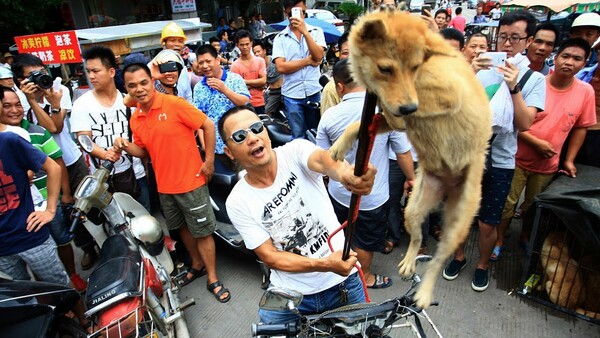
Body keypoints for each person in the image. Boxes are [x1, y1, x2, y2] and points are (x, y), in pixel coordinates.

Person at [221, 105, 376, 324]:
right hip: (289, 294)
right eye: (239, 136)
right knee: (266, 328)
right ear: (228, 151)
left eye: (256, 128)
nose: (252, 138)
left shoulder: (295, 151)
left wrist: (347, 174)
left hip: (344, 282)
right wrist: (325, 264)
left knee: (363, 329)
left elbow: (325, 161)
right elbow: (270, 257)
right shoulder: (237, 201)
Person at [113, 60, 231, 302]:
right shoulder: (135, 119)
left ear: (152, 82)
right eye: (132, 85)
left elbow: (207, 125)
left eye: (144, 82)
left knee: (203, 232)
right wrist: (125, 145)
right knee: (182, 229)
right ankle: (196, 265)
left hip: (192, 181)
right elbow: (145, 152)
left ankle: (212, 277)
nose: (139, 89)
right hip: (164, 186)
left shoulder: (174, 104)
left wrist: (208, 161)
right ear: (127, 89)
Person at [444, 10, 545, 292]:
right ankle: (460, 257)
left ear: (528, 41)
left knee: (488, 222)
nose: (508, 44)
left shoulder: (532, 79)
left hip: (500, 161)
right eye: (502, 37)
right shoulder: (481, 69)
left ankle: (483, 264)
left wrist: (513, 87)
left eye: (515, 38)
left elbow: (524, 123)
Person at [492, 38, 597, 260]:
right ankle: (499, 238)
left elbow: (581, 127)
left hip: (549, 164)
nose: (569, 62)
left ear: (585, 62)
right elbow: (515, 121)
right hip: (517, 158)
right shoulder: (536, 82)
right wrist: (536, 142)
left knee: (533, 206)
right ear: (556, 58)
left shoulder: (585, 92)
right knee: (507, 204)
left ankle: (526, 237)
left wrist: (568, 160)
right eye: (565, 56)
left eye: (577, 59)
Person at [317, 59, 414, 289]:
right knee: (366, 241)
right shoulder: (386, 113)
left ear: (339, 87)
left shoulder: (330, 116)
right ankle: (365, 278)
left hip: (338, 193)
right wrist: (412, 178)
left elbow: (322, 158)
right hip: (372, 197)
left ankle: (341, 273)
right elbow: (403, 152)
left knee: (342, 234)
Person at [0, 130, 90, 331]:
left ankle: (85, 322)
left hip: (30, 235)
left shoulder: (8, 141)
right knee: (20, 301)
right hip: (3, 249)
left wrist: (50, 210)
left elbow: (53, 167)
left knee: (60, 285)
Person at [11, 54, 94, 271]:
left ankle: (101, 241)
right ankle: (87, 248)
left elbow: (55, 127)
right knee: (58, 216)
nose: (40, 78)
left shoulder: (58, 89)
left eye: (42, 72)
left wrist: (50, 102)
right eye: (32, 76)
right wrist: (30, 100)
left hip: (70, 159)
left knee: (85, 206)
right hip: (39, 170)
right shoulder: (15, 102)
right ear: (20, 81)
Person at [70, 46, 151, 212]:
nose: (91, 76)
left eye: (96, 71)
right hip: (103, 179)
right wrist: (105, 154)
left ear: (112, 72)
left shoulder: (129, 101)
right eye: (88, 71)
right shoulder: (81, 104)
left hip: (136, 173)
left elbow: (140, 138)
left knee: (146, 221)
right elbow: (84, 139)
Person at [272, 0, 326, 139]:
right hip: (292, 95)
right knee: (298, 137)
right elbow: (281, 67)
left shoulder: (316, 31)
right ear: (286, 13)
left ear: (305, 9)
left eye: (300, 12)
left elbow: (319, 55)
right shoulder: (280, 38)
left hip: (314, 90)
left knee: (318, 135)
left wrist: (305, 33)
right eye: (292, 13)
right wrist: (308, 61)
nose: (296, 16)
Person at [192, 44, 250, 169]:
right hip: (216, 148)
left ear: (217, 60)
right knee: (223, 184)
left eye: (208, 61)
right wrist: (205, 146)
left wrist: (224, 89)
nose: (205, 66)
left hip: (240, 142)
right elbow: (200, 119)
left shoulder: (234, 79)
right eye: (201, 62)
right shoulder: (198, 87)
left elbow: (244, 103)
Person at [230, 30, 267, 114]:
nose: (245, 47)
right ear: (237, 45)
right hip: (243, 105)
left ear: (251, 43)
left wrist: (243, 81)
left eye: (247, 44)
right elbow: (236, 88)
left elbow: (263, 81)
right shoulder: (235, 65)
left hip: (259, 103)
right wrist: (257, 83)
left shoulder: (260, 61)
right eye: (242, 45)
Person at [160, 22, 193, 102]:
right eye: (172, 40)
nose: (177, 44)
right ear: (164, 44)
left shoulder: (183, 69)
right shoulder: (154, 67)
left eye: (180, 41)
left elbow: (188, 97)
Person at [320, 32, 349, 115]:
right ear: (339, 55)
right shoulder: (331, 89)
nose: (350, 57)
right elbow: (328, 125)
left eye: (355, 52)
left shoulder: (375, 84)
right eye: (345, 53)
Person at [253, 41, 284, 115]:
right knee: (266, 113)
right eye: (255, 53)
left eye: (258, 51)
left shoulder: (274, 60)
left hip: (283, 89)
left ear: (264, 51)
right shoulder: (257, 66)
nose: (257, 54)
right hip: (273, 92)